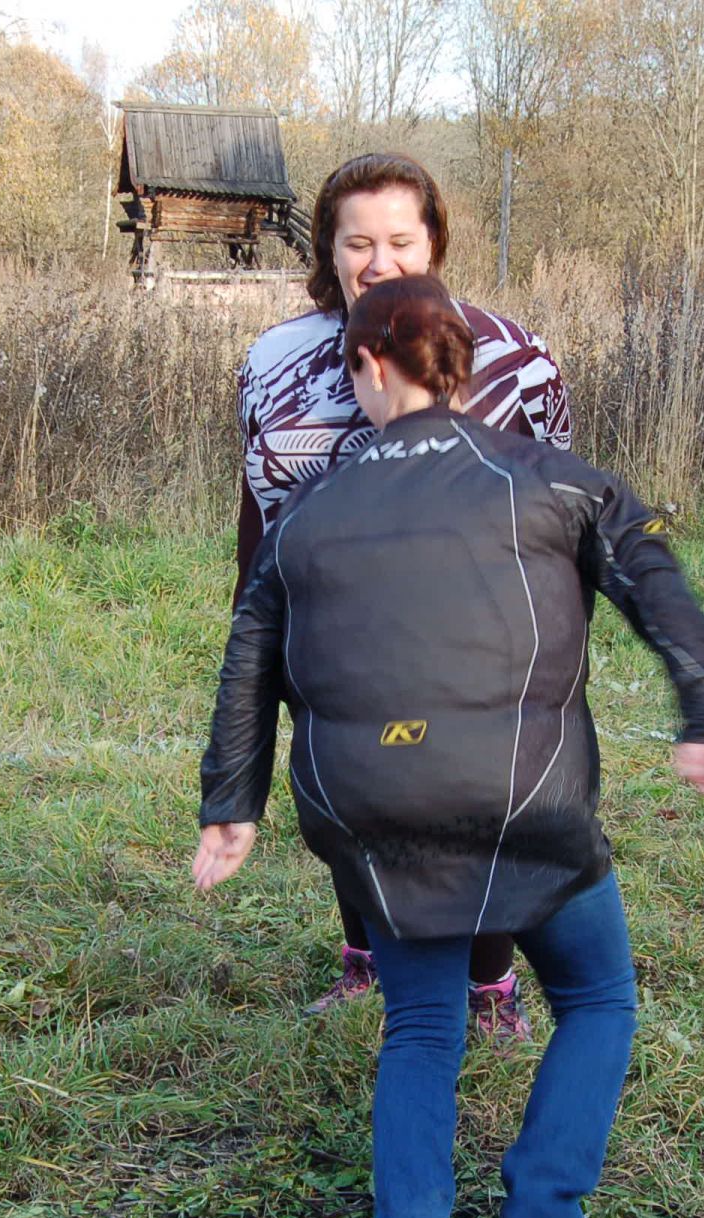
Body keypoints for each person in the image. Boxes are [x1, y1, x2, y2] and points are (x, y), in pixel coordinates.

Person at [194, 277, 704, 1218]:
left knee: (421, 1023)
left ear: (366, 366)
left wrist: (231, 804)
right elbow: (652, 578)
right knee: (597, 996)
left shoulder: (308, 513)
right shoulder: (553, 480)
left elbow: (251, 658)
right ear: (462, 367)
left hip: (371, 812)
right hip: (525, 802)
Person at [235, 152, 574, 1041]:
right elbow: (256, 501)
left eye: (400, 240)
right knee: (347, 796)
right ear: (328, 248)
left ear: (433, 244)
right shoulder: (274, 360)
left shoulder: (516, 360)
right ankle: (366, 962)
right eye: (358, 243)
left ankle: (490, 988)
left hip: (471, 646)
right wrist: (257, 633)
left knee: (480, 808)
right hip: (329, 637)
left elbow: (555, 509)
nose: (379, 262)